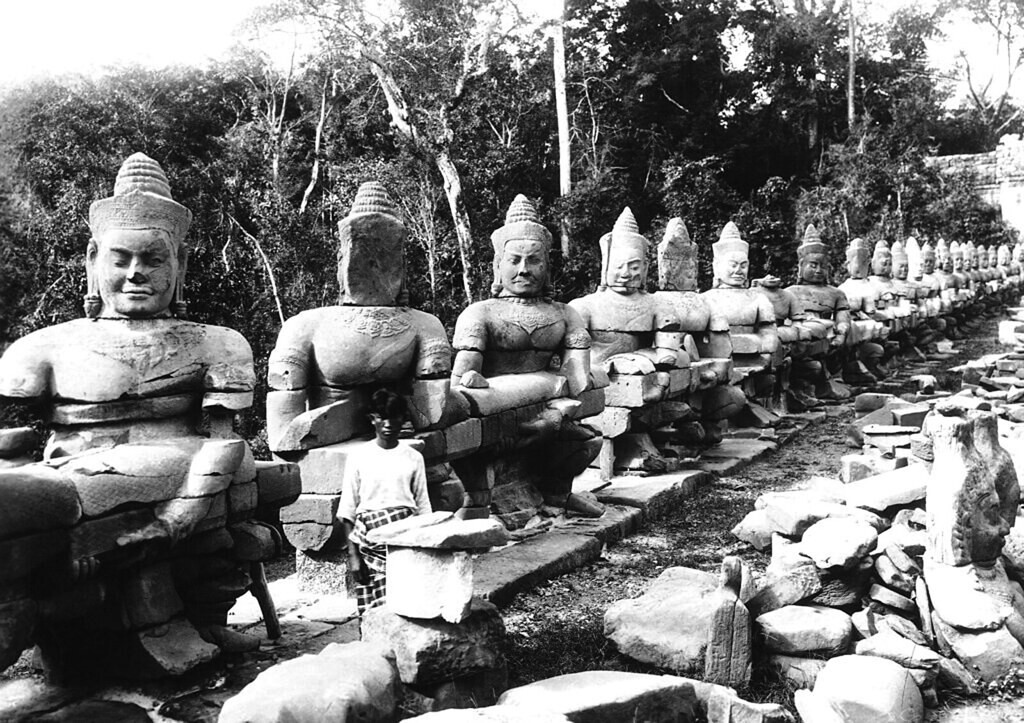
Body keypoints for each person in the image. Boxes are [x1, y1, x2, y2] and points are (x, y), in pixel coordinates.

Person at [338, 389, 432, 614]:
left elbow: (424, 506)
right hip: (371, 541)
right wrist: (354, 557)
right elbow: (347, 510)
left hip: (406, 540)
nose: (388, 424)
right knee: (377, 612)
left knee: (407, 605)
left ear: (403, 420)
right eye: (382, 417)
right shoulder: (359, 456)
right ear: (373, 419)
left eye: (394, 417)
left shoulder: (413, 457)